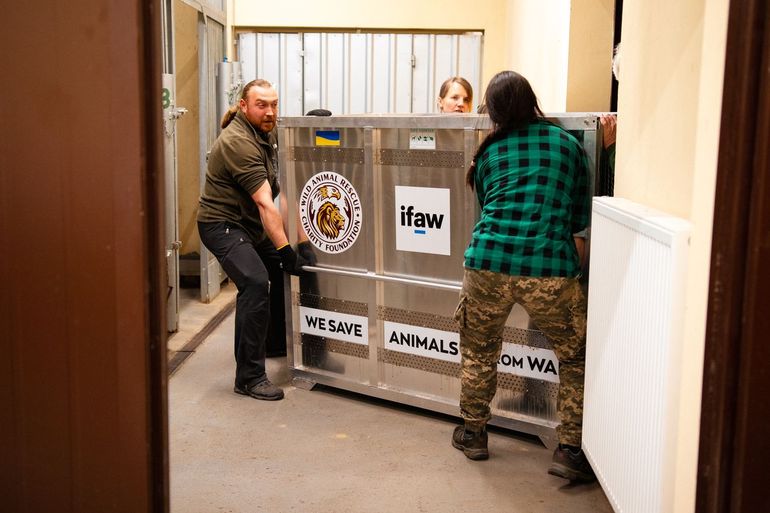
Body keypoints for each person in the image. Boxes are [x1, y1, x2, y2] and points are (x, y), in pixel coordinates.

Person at [451, 70, 595, 483]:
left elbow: (486, 205)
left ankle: (474, 434)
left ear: (493, 110)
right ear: (532, 100)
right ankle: (569, 450)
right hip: (547, 267)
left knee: (479, 351)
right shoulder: (568, 145)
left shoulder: (489, 151)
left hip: (487, 263)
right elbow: (579, 218)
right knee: (575, 356)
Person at [197, 78, 310, 401]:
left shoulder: (267, 132)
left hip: (249, 225)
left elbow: (286, 188)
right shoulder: (238, 142)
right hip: (222, 225)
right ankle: (248, 377)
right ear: (244, 106)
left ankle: (273, 342)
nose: (270, 111)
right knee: (255, 281)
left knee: (278, 269)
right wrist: (286, 248)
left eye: (274, 104)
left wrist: (296, 245)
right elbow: (264, 201)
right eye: (262, 104)